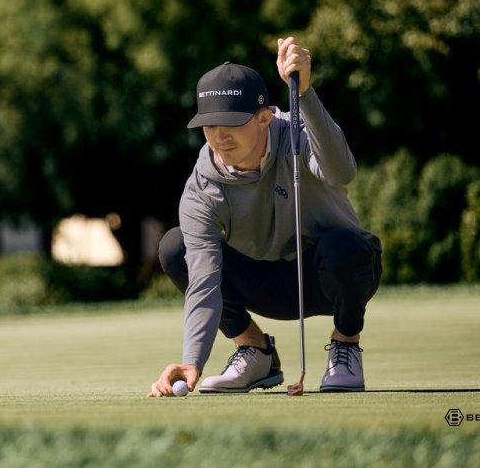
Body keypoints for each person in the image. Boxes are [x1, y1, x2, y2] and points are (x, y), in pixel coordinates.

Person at [148, 37, 382, 397]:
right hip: (262, 281)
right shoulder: (201, 188)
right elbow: (204, 283)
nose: (219, 136)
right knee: (174, 247)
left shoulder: (299, 134)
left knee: (345, 247)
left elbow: (342, 172)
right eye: (210, 126)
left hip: (329, 274)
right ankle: (256, 353)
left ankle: (345, 344)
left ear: (264, 117)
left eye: (231, 123)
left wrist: (305, 95)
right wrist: (192, 360)